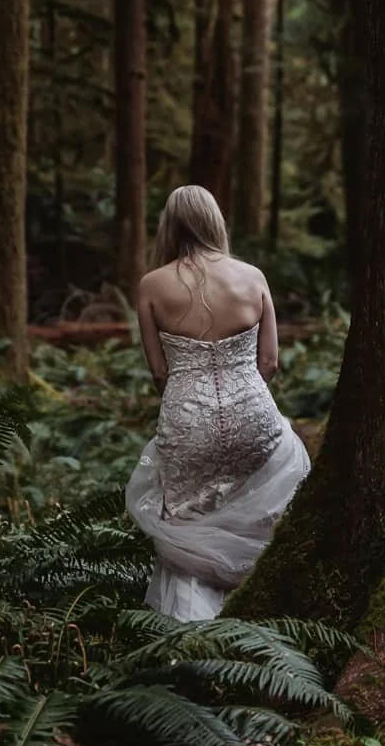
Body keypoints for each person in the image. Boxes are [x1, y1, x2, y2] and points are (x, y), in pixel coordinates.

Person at [124, 185, 311, 620]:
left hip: (187, 416)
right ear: (215, 222)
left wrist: (192, 404)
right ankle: (264, 621)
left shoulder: (152, 285)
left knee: (189, 523)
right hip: (253, 413)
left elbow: (158, 372)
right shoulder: (252, 277)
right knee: (261, 516)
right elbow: (270, 361)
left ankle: (193, 643)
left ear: (168, 226)